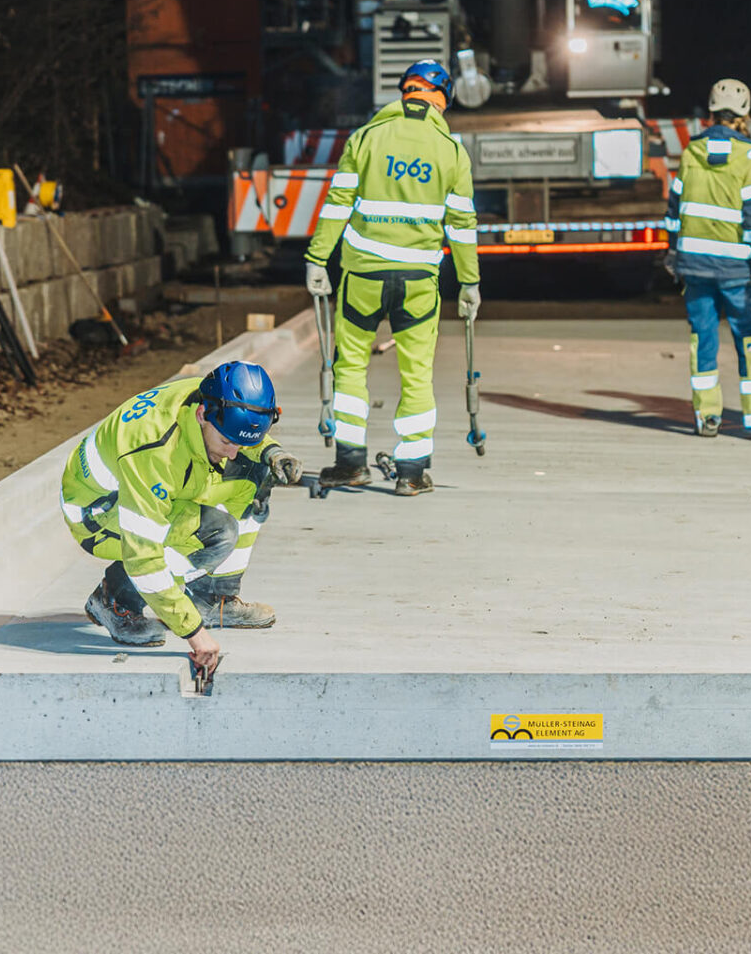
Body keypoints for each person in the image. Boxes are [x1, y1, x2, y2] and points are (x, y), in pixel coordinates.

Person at [59, 361, 303, 677]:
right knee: (217, 533)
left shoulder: (212, 399)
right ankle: (112, 598)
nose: (233, 452)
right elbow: (144, 560)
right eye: (228, 441)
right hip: (100, 513)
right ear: (203, 415)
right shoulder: (152, 453)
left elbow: (241, 440)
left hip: (162, 480)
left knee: (257, 473)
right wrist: (194, 633)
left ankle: (214, 599)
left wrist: (271, 453)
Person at [304, 58, 480, 496]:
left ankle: (349, 465)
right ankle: (411, 472)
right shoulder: (452, 151)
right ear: (442, 101)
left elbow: (338, 203)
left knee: (349, 369)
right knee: (417, 375)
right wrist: (470, 283)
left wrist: (316, 259)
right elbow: (462, 226)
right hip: (418, 283)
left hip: (362, 277)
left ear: (405, 93)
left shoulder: (365, 138)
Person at [664, 78, 751, 438]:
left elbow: (675, 209)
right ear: (745, 116)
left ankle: (707, 417)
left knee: (703, 340)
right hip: (736, 270)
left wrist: (672, 250)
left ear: (710, 113)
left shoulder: (691, 152)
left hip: (694, 266)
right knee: (749, 339)